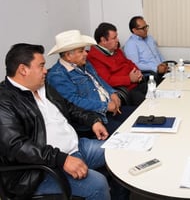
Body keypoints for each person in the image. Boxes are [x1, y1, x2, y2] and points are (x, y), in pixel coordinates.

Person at [0, 43, 110, 199]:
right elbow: (17, 146)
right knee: (98, 184)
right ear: (23, 69)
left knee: (117, 153)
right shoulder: (5, 101)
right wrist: (60, 159)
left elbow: (69, 107)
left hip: (76, 148)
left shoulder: (42, 86)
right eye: (41, 66)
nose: (46, 70)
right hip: (42, 170)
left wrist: (93, 121)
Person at [47, 30, 134, 135]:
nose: (86, 54)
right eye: (81, 51)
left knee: (139, 116)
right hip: (96, 119)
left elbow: (99, 79)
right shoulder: (58, 75)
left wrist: (112, 92)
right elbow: (74, 102)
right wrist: (105, 106)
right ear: (68, 55)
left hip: (111, 110)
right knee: (128, 133)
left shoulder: (85, 64)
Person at [87, 22, 148, 107]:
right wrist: (129, 79)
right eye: (114, 38)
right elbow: (106, 80)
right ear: (103, 40)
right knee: (148, 104)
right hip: (127, 90)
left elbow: (129, 63)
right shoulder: (94, 57)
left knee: (157, 89)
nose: (117, 40)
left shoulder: (116, 50)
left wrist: (137, 72)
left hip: (136, 83)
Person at [124, 16, 168, 84]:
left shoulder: (150, 38)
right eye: (143, 28)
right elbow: (135, 65)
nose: (146, 30)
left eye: (146, 27)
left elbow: (158, 53)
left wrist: (164, 63)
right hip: (151, 76)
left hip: (162, 70)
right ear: (134, 30)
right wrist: (156, 68)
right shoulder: (131, 44)